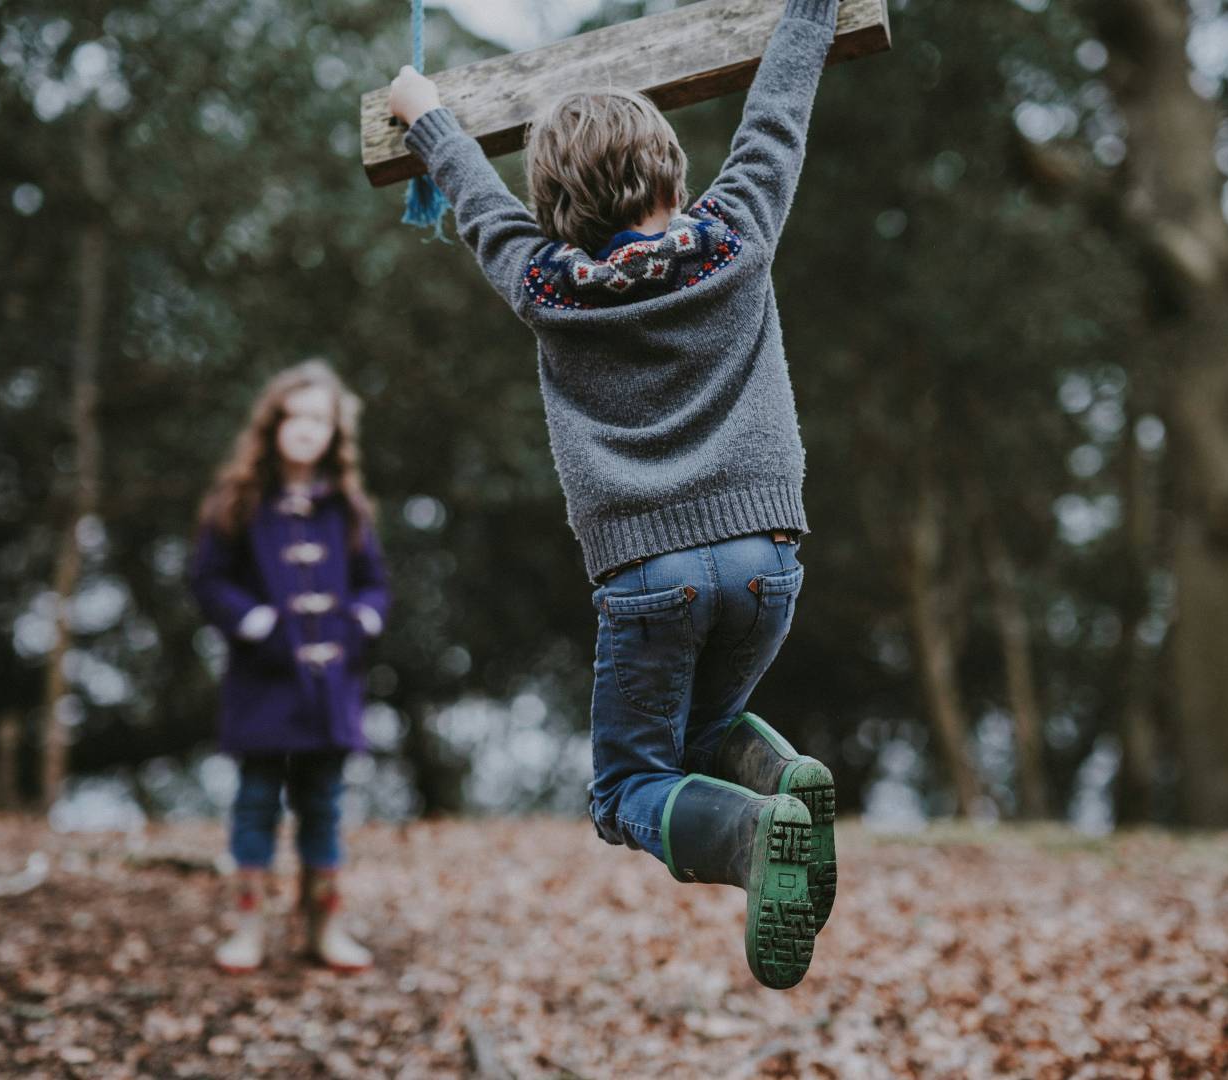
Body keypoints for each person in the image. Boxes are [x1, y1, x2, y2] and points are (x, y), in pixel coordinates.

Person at [387, 0, 843, 989]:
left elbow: (477, 203)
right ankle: (782, 782)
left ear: (559, 204)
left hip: (649, 575)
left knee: (626, 786)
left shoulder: (549, 284)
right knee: (700, 735)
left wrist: (429, 117)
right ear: (673, 167)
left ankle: (763, 833)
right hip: (769, 560)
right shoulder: (740, 233)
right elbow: (779, 110)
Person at [188, 360, 389, 974]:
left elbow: (374, 584)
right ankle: (248, 928)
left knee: (324, 804)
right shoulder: (239, 501)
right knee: (254, 802)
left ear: (335, 432)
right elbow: (207, 578)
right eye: (295, 417)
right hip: (263, 685)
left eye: (319, 420)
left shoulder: (348, 508)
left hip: (331, 689)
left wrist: (360, 623)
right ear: (272, 424)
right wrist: (257, 624)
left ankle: (322, 929)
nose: (306, 430)